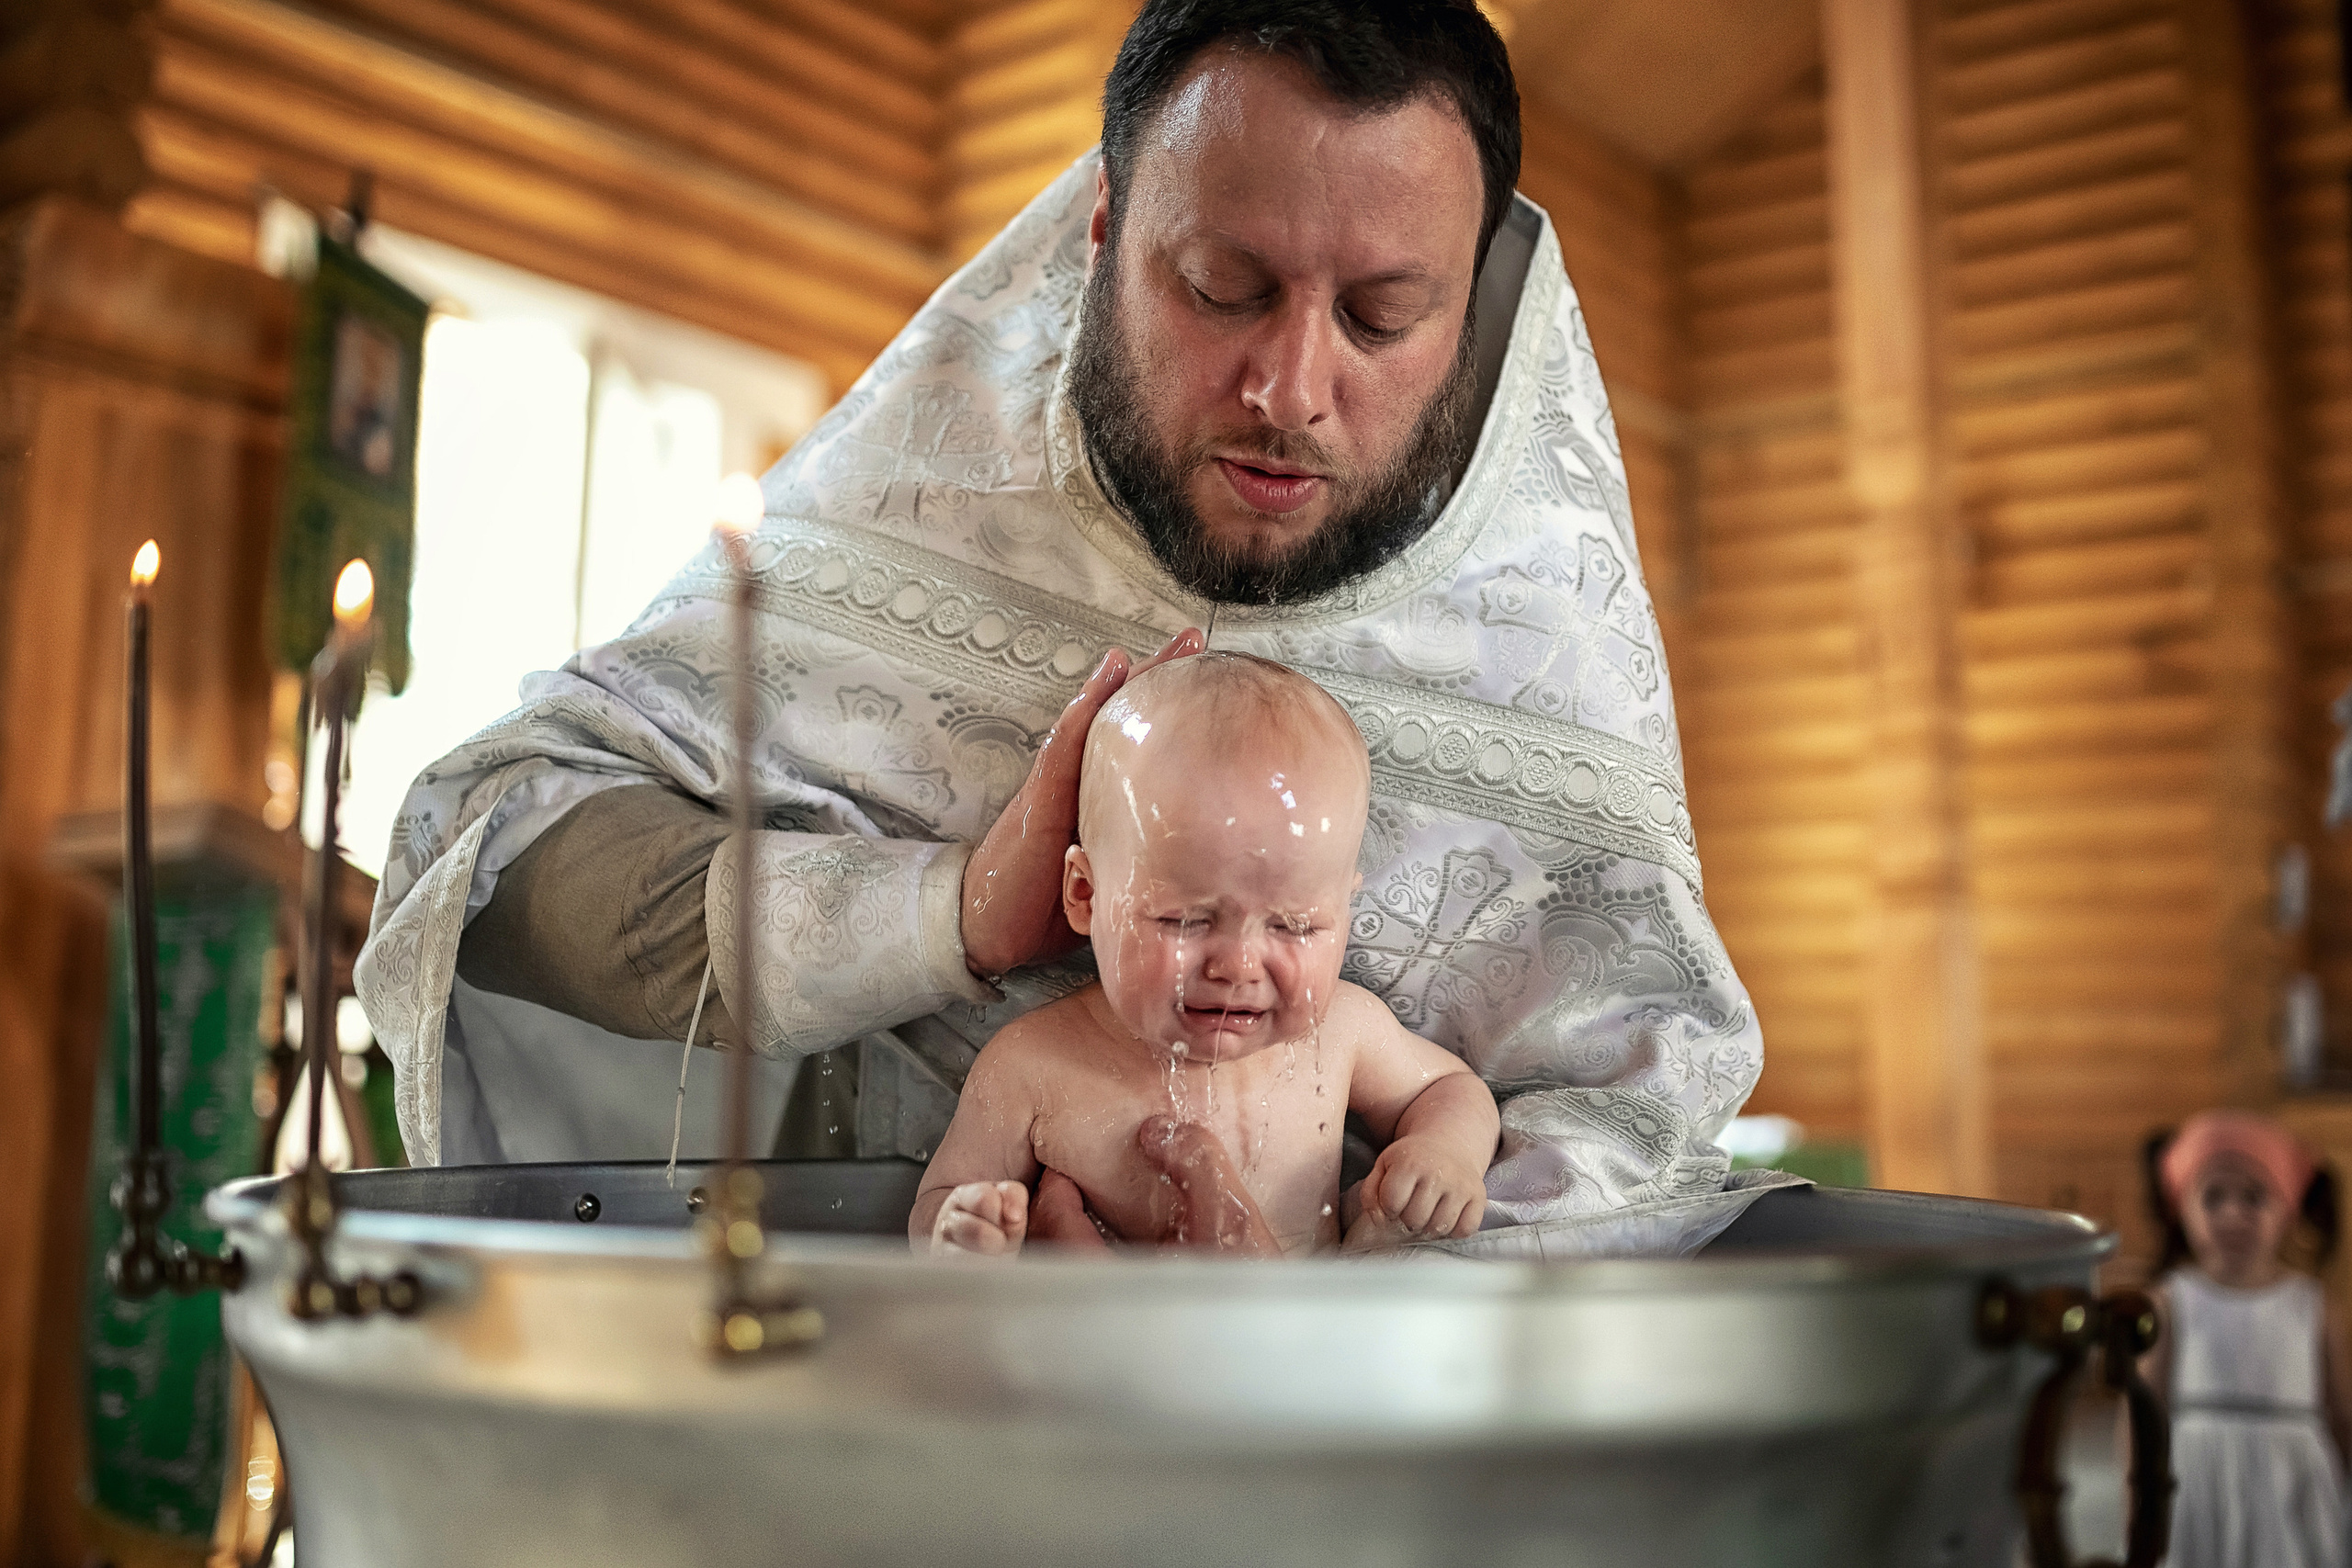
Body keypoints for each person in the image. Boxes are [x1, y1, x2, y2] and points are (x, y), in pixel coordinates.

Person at [356, 0, 1775, 1254]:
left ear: (1469, 320)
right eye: (1225, 285)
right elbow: (487, 847)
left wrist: (1305, 1320)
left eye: (1384, 315)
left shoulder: (1544, 634)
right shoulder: (912, 516)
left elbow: (1639, 1119)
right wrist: (950, 908)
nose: (1292, 383)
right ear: (1101, 237)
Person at [915, 653, 1500, 1257]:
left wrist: (1444, 1152)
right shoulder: (1030, 1065)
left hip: (1305, 1342)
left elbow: (1451, 1088)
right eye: (1186, 919)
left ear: (1344, 910)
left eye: (1295, 925)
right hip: (1093, 1348)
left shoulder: (1343, 1031)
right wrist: (963, 1231)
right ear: (1086, 895)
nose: (1238, 966)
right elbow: (939, 1198)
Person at [2143, 1111, 2351, 1568]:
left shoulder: (2311, 1305)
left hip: (2291, 1484)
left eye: (2254, 1197)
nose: (2232, 1213)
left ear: (2288, 1211)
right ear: (2183, 1209)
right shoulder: (2172, 1300)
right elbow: (2144, 1409)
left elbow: (2341, 1411)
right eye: (2213, 1197)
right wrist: (2137, 1496)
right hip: (2196, 1484)